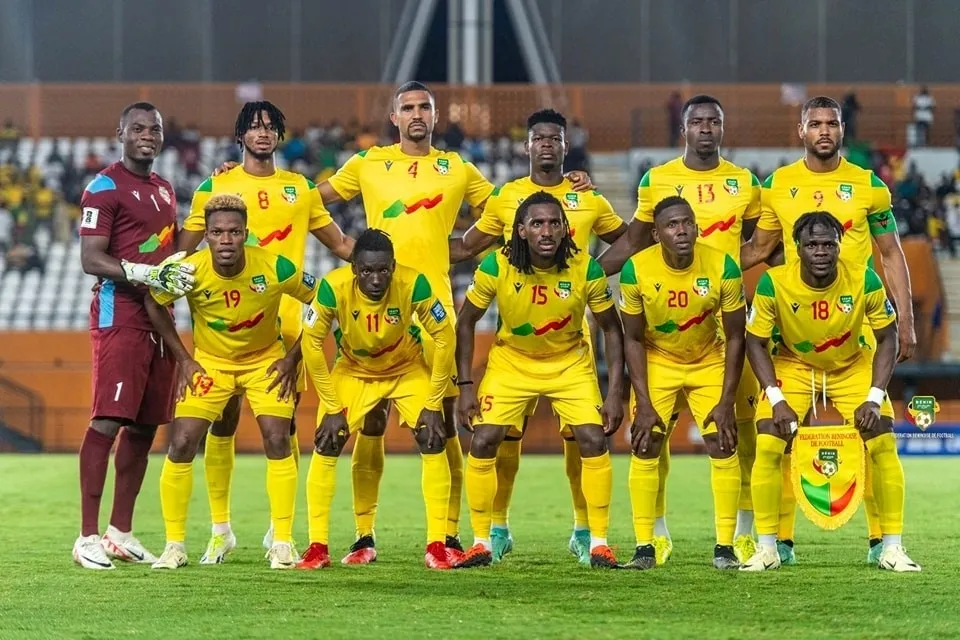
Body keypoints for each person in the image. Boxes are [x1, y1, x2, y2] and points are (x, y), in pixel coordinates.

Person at [299, 81, 594, 565]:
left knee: (444, 424)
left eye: (425, 107)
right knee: (370, 421)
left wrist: (567, 184)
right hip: (378, 299)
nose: (417, 114)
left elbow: (509, 210)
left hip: (434, 307)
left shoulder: (457, 168)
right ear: (394, 117)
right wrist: (345, 248)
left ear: (435, 116)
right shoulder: (368, 163)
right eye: (408, 107)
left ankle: (449, 535)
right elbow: (307, 200)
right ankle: (363, 536)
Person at [741, 95, 916, 566]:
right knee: (775, 438)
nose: (824, 130)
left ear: (842, 129)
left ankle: (885, 544)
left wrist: (906, 319)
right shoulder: (777, 185)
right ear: (801, 130)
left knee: (877, 434)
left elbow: (891, 253)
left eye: (831, 123)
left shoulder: (868, 185)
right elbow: (758, 248)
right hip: (795, 337)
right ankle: (776, 545)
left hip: (856, 327)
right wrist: (704, 274)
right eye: (815, 123)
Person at [448, 108, 626, 564]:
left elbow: (630, 241)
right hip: (513, 355)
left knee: (585, 440)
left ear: (566, 145)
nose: (545, 231)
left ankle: (591, 536)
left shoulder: (587, 200)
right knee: (494, 439)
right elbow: (467, 251)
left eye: (555, 138)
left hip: (571, 350)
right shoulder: (506, 205)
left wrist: (595, 270)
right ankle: (490, 535)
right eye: (539, 138)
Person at [179, 101, 353, 563]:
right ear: (240, 135)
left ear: (279, 135)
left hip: (289, 325)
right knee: (222, 421)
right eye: (254, 126)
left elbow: (339, 243)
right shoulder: (215, 186)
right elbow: (181, 255)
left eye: (270, 126)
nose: (262, 133)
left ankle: (281, 529)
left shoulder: (300, 189)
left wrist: (390, 261)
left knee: (283, 426)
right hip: (227, 324)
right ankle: (220, 530)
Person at [599, 95, 766, 566]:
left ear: (723, 128)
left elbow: (764, 243)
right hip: (664, 338)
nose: (706, 129)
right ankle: (655, 536)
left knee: (741, 436)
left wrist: (732, 270)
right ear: (684, 129)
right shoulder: (656, 180)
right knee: (651, 438)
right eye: (698, 121)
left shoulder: (745, 182)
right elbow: (633, 242)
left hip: (723, 326)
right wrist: (585, 274)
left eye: (714, 121)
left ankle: (742, 536)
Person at [145, 194, 318, 570]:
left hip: (265, 362)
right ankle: (176, 545)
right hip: (211, 364)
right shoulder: (189, 270)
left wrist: (293, 357)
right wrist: (184, 360)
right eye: (218, 232)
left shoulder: (274, 266)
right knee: (182, 442)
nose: (226, 239)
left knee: (277, 437)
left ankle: (282, 542)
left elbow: (324, 300)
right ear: (206, 235)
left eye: (234, 232)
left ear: (246, 233)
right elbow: (153, 302)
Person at [75, 102, 196, 570]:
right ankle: (86, 536)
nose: (148, 135)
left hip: (159, 317)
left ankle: (119, 532)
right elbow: (91, 258)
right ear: (120, 133)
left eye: (155, 129)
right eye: (138, 128)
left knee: (145, 426)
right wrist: (140, 271)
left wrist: (211, 196)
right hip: (119, 314)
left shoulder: (164, 189)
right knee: (108, 420)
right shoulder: (103, 187)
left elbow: (173, 248)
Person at [296, 229, 456, 570]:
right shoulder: (333, 287)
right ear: (354, 268)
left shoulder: (414, 284)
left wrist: (433, 403)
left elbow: (445, 337)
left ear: (393, 266)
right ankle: (319, 546)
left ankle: (437, 546)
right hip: (353, 370)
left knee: (432, 437)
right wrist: (332, 406)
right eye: (367, 271)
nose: (376, 279)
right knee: (327, 441)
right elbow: (311, 343)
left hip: (406, 367)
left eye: (383, 270)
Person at [619, 196, 746, 570]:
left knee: (723, 442)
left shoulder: (723, 266)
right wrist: (643, 402)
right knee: (646, 444)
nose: (682, 230)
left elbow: (736, 336)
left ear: (697, 227)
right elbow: (632, 339)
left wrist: (726, 401)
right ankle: (645, 547)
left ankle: (725, 548)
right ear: (656, 234)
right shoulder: (636, 270)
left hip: (709, 358)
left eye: (687, 223)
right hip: (658, 359)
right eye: (672, 225)